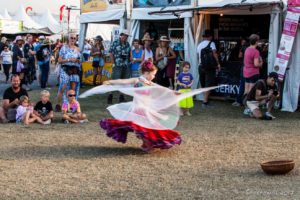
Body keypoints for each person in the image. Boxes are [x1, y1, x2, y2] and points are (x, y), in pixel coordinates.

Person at [100, 60, 181, 152]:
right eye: (153, 74)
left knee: (149, 127)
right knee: (145, 127)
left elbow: (162, 89)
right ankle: (147, 144)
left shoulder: (150, 83)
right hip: (138, 109)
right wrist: (109, 82)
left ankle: (146, 144)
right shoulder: (137, 80)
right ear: (147, 73)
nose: (154, 77)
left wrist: (174, 92)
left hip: (147, 109)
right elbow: (123, 81)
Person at [56, 33, 81, 112]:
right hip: (65, 69)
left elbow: (80, 61)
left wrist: (77, 60)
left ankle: (72, 106)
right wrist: (69, 60)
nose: (73, 40)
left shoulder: (78, 49)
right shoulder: (64, 48)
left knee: (73, 89)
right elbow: (59, 61)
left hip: (74, 69)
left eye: (74, 38)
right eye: (71, 38)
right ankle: (58, 104)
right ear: (68, 39)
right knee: (63, 87)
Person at [197, 29, 221, 108]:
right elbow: (214, 54)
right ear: (210, 37)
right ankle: (205, 102)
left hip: (201, 66)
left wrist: (199, 64)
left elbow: (198, 56)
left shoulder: (199, 45)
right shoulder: (212, 43)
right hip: (209, 67)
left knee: (203, 84)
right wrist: (218, 64)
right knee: (208, 84)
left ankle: (205, 100)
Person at [108, 29, 131, 104]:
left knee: (123, 82)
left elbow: (129, 53)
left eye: (127, 36)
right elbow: (111, 53)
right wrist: (113, 63)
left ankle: (121, 97)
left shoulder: (127, 44)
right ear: (121, 35)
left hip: (125, 64)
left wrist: (131, 58)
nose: (125, 37)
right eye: (124, 35)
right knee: (114, 81)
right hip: (117, 65)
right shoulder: (115, 43)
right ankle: (110, 96)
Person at [243, 34, 263, 114]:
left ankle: (246, 108)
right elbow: (256, 64)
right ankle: (250, 108)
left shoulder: (247, 49)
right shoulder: (256, 51)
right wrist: (261, 63)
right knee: (251, 91)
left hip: (246, 72)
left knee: (246, 90)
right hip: (253, 72)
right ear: (256, 42)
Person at [232, 38, 249, 107]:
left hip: (244, 67)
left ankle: (239, 101)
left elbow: (239, 55)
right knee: (250, 86)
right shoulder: (254, 48)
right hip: (252, 69)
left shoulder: (243, 47)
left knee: (242, 85)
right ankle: (248, 102)